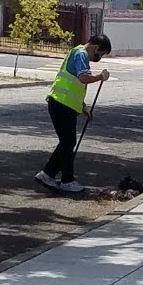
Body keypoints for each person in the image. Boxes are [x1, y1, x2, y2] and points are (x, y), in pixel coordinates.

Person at [35, 34, 113, 194]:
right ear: (96, 48)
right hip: (62, 104)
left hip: (63, 104)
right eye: (100, 54)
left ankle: (48, 174)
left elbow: (73, 84)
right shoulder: (81, 54)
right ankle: (66, 180)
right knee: (68, 142)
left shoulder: (77, 52)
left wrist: (83, 107)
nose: (98, 57)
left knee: (67, 143)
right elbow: (83, 78)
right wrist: (100, 77)